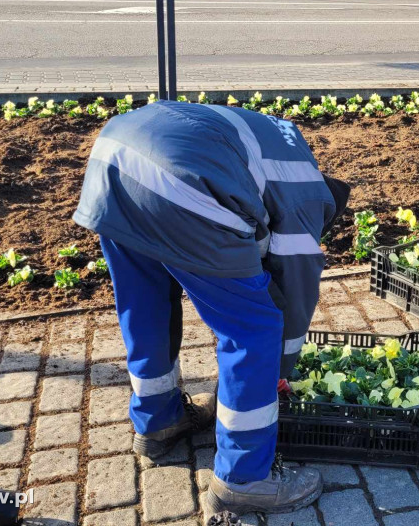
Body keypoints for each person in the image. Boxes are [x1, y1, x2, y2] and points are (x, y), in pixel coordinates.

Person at [73, 100, 350, 517]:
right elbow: (294, 295)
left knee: (146, 302)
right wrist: (280, 369)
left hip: (114, 162)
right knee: (254, 329)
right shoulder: (305, 202)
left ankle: (159, 422)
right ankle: (245, 479)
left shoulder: (289, 151)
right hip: (182, 186)